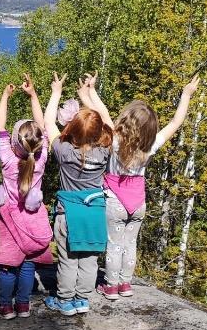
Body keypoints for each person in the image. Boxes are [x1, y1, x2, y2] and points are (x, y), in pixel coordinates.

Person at [78, 72, 200, 300]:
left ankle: (111, 286)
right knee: (130, 243)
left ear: (125, 121)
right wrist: (186, 94)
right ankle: (126, 284)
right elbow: (176, 121)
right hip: (138, 201)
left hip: (115, 199)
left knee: (114, 245)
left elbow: (102, 113)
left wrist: (91, 91)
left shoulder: (114, 140)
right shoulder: (151, 145)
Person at [43, 73, 112, 316]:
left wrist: (56, 92)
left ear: (71, 128)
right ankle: (82, 299)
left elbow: (48, 123)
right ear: (99, 132)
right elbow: (107, 122)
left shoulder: (64, 151)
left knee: (68, 259)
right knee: (90, 259)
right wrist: (90, 93)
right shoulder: (105, 151)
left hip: (68, 214)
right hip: (95, 213)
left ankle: (64, 300)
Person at [0, 74, 53, 319]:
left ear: (14, 142)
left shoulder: (7, 159)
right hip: (33, 216)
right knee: (28, 264)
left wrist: (5, 96)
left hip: (8, 219)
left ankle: (5, 305)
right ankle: (23, 304)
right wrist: (33, 95)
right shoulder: (41, 159)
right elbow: (44, 127)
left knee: (8, 266)